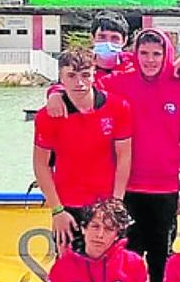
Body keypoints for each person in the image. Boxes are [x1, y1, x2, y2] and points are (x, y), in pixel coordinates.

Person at [102, 29, 180, 282]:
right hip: (126, 191)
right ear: (135, 54)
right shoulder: (120, 83)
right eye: (144, 53)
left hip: (165, 192)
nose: (150, 60)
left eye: (157, 54)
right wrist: (55, 93)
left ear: (166, 54)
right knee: (124, 261)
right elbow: (80, 85)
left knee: (161, 262)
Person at [33, 48, 133, 251]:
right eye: (71, 76)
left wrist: (116, 203)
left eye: (85, 75)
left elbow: (124, 158)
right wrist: (57, 210)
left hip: (105, 205)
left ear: (94, 75)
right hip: (67, 205)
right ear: (61, 78)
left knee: (110, 264)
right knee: (68, 265)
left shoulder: (118, 107)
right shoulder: (47, 116)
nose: (79, 83)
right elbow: (41, 165)